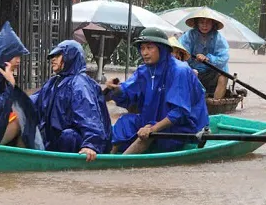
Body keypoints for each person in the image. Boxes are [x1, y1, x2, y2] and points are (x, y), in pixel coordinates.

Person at [106, 27, 209, 155]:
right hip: (153, 120)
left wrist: (153, 128)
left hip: (184, 127)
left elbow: (180, 112)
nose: (145, 53)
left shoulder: (179, 71)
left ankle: (120, 163)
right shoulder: (143, 71)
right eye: (142, 48)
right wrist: (116, 90)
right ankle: (110, 156)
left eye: (149, 48)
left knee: (149, 132)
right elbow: (127, 95)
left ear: (161, 49)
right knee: (124, 122)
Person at [31, 40, 112, 162]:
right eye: (52, 56)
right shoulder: (52, 83)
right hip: (57, 140)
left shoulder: (80, 84)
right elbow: (31, 103)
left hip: (76, 141)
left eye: (58, 55)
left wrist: (90, 145)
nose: (53, 59)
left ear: (70, 56)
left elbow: (90, 118)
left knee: (68, 136)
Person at [179, 9, 230, 99]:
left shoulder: (218, 38)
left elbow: (224, 58)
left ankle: (215, 103)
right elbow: (181, 54)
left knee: (224, 76)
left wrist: (208, 59)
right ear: (197, 23)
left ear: (213, 24)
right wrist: (191, 63)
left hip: (211, 72)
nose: (204, 25)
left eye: (208, 22)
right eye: (201, 22)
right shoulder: (189, 36)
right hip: (193, 71)